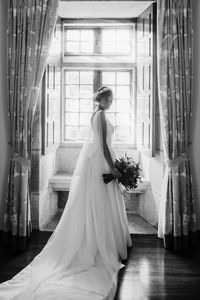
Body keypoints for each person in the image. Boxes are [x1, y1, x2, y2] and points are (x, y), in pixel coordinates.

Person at [0, 86, 132, 300]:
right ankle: (99, 241)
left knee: (106, 199)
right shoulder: (99, 115)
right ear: (104, 99)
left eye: (112, 99)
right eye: (110, 99)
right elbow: (103, 146)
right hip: (101, 161)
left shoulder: (99, 114)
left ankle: (107, 238)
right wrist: (113, 166)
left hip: (100, 160)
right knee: (101, 200)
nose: (111, 102)